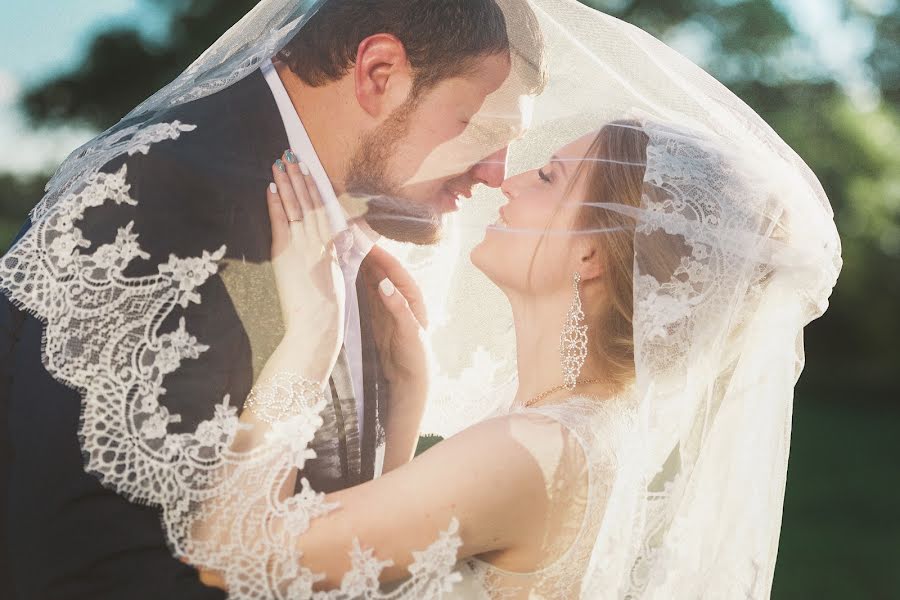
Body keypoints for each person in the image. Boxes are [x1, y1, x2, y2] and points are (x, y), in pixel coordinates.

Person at [0, 1, 545, 598]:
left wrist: (405, 402)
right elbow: (78, 552)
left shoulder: (352, 212)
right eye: (484, 130)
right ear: (379, 74)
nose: (497, 174)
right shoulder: (159, 196)